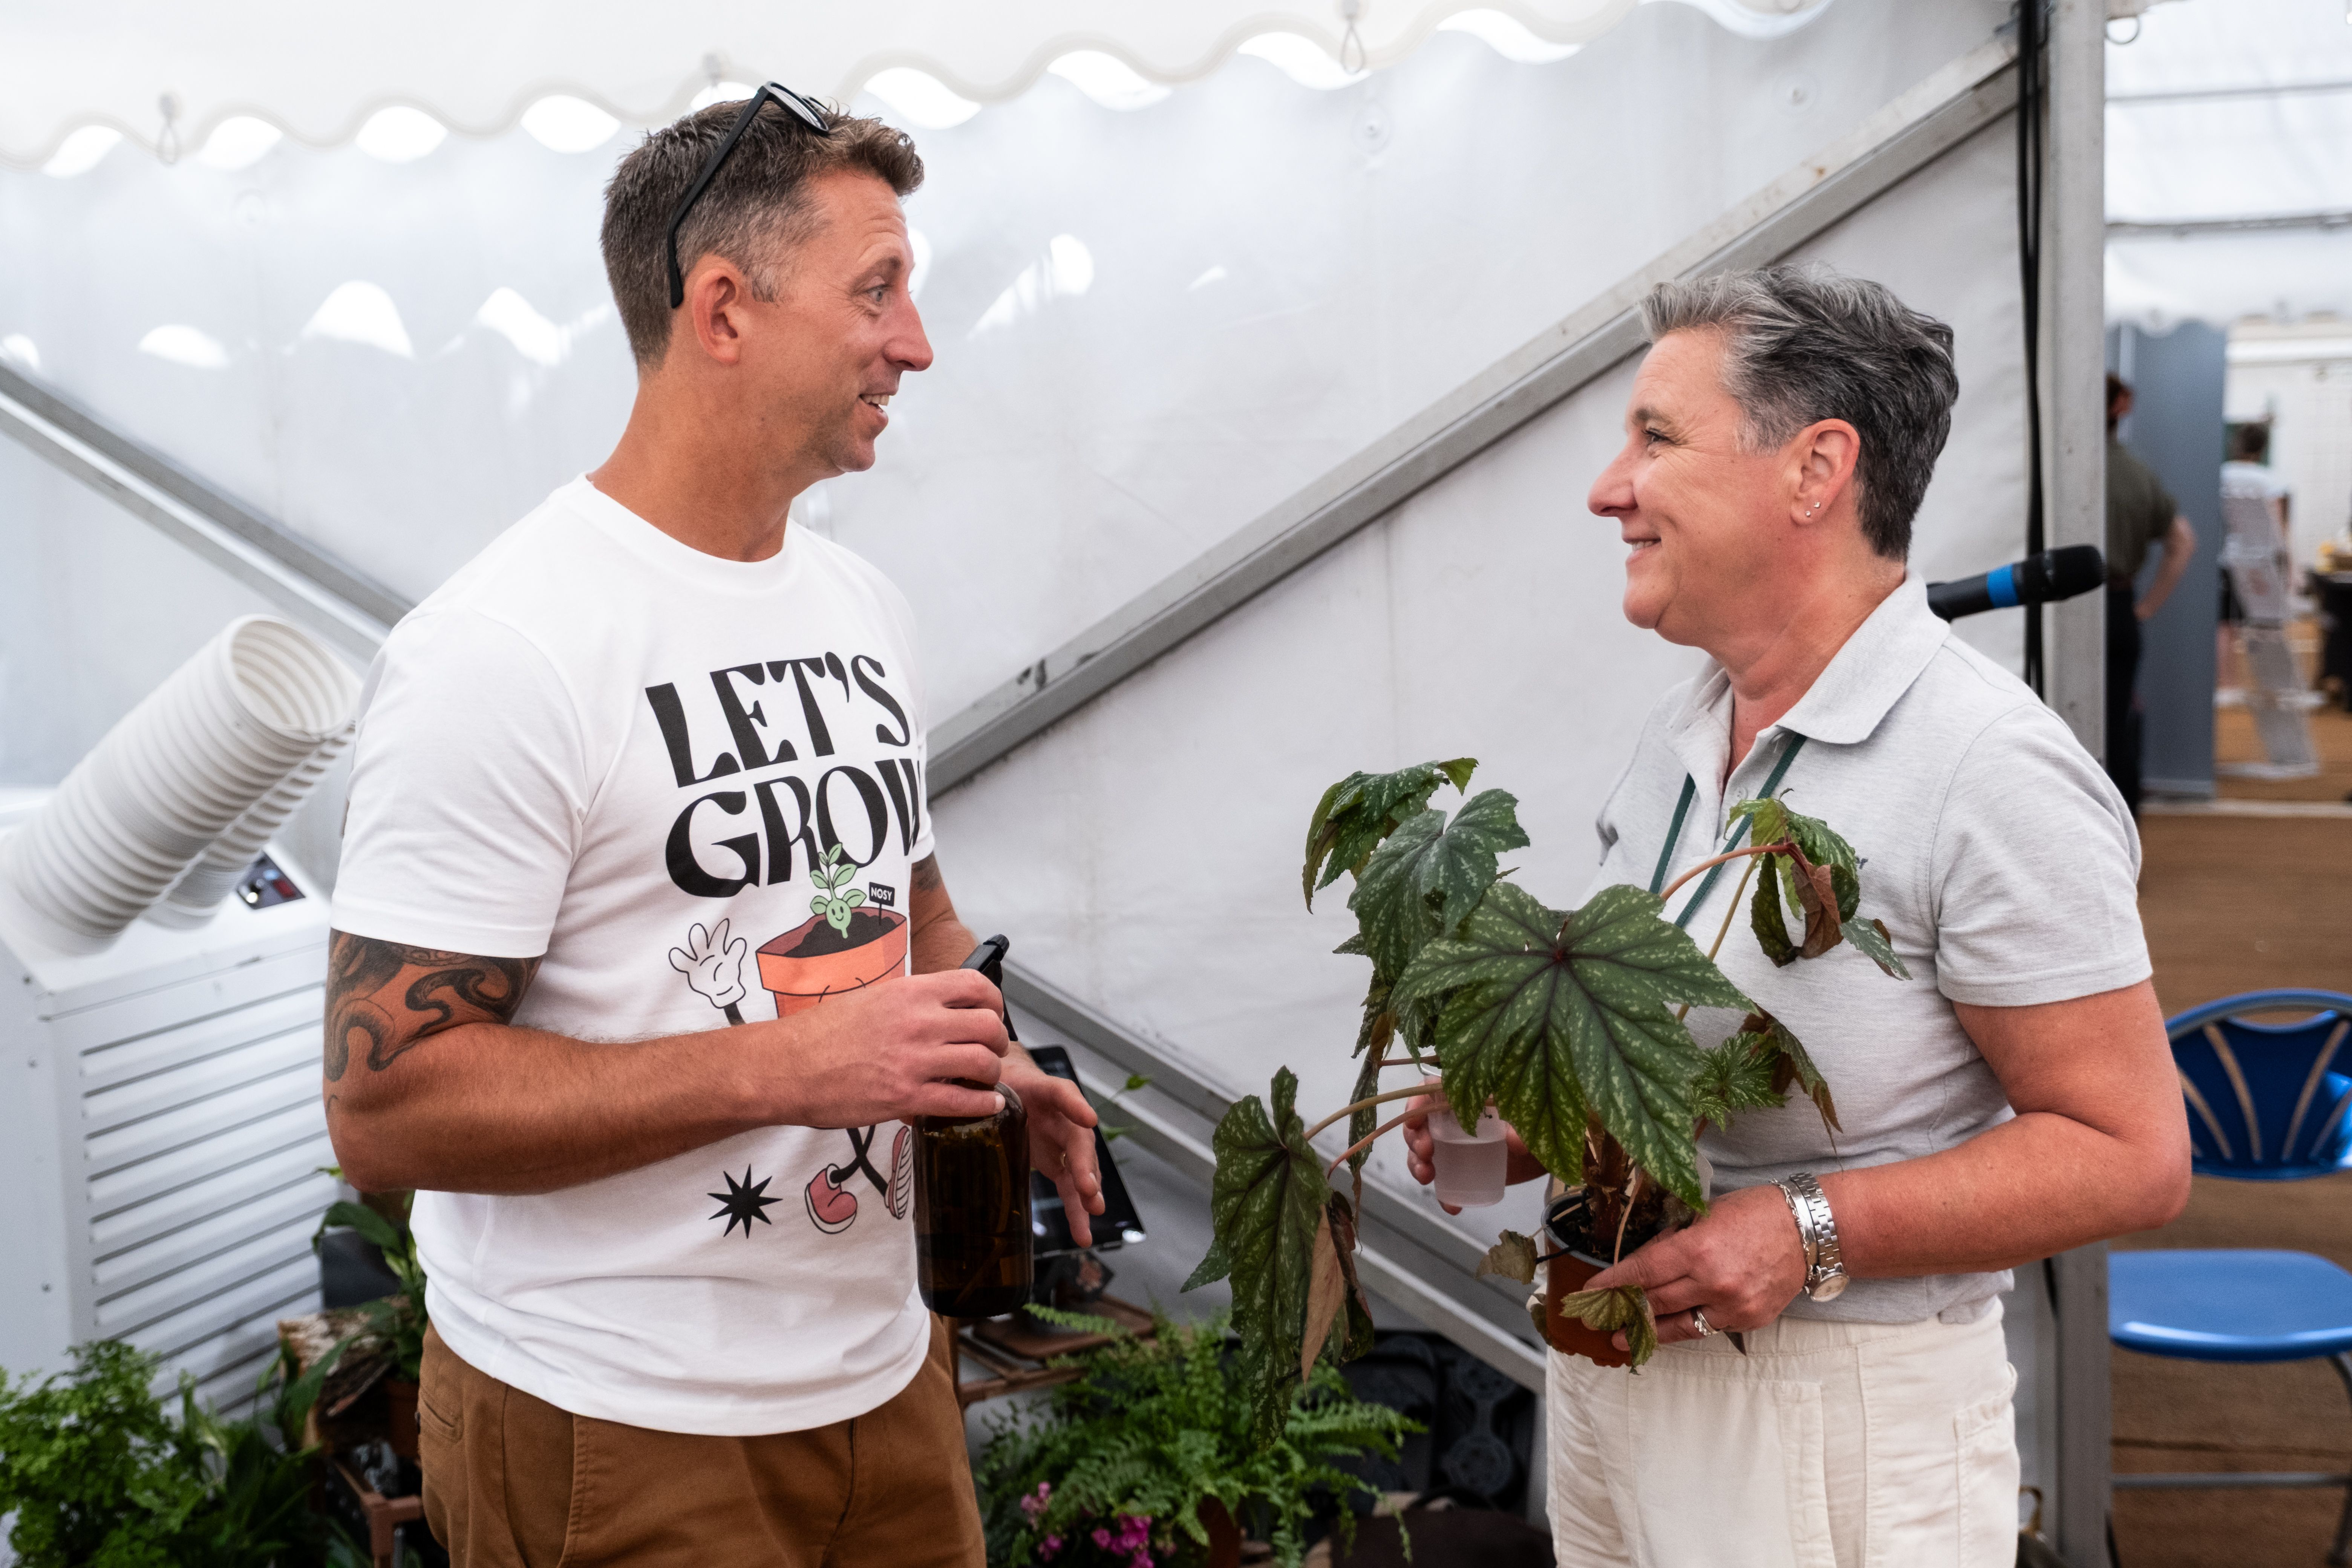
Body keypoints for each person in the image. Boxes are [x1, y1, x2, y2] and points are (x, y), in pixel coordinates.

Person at [322, 87, 1106, 1566]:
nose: (917, 343)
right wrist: (795, 1061)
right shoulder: (503, 648)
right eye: (876, 290)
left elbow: (914, 903)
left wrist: (979, 1055)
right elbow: (386, 1110)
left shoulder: (862, 609)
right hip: (617, 1425)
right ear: (725, 308)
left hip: (888, 1381)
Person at [1403, 265, 2190, 1566]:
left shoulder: (1987, 767)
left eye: (1656, 438)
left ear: (1815, 469)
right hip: (1619, 1387)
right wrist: (1534, 1124)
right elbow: (1674, 1065)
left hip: (1834, 1431)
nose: (1607, 489)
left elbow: (2132, 1151)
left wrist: (1811, 1232)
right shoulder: (1684, 734)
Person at [2103, 374, 2196, 814]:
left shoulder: (2059, 470)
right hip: (2120, 608)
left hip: (2067, 610)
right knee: (2116, 725)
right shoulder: (2138, 473)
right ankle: (2125, 831)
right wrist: (2144, 608)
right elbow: (2183, 541)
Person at [2217, 420, 2295, 697]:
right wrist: (2289, 565)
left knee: (2225, 624)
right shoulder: (2269, 480)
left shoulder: (2221, 475)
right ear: (2262, 449)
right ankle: (2271, 686)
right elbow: (2278, 525)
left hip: (2229, 557)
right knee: (2266, 624)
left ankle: (2228, 684)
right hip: (2263, 562)